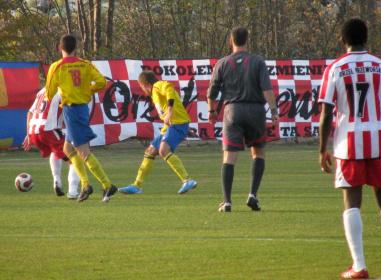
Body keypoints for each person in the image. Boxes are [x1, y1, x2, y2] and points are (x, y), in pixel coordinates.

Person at [318, 18, 381, 279]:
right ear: (366, 38)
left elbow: (326, 113)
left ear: (342, 40)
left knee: (351, 203)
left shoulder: (335, 68)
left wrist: (322, 148)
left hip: (348, 145)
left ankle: (359, 266)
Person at [206, 26, 279, 213]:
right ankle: (252, 195)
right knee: (258, 153)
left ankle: (227, 202)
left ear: (231, 41)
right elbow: (266, 88)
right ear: (248, 40)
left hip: (232, 111)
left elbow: (212, 91)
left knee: (229, 156)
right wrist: (274, 111)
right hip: (255, 110)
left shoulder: (221, 63)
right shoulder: (258, 61)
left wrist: (212, 110)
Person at [45, 34, 117, 202]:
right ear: (76, 48)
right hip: (82, 108)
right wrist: (86, 91)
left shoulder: (56, 67)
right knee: (68, 150)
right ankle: (85, 184)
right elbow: (101, 82)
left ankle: (107, 185)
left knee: (83, 152)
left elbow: (49, 94)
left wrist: (62, 89)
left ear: (60, 48)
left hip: (72, 110)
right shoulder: (85, 64)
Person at [118, 70, 198, 195]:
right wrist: (185, 129)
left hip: (177, 125)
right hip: (173, 126)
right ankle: (137, 186)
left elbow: (169, 88)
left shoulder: (158, 86)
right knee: (150, 151)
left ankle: (187, 180)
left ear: (144, 84)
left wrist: (170, 111)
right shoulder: (155, 93)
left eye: (141, 88)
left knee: (163, 150)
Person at [23, 88, 81, 200]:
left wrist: (28, 134)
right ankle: (73, 191)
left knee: (55, 151)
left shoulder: (43, 90)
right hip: (49, 129)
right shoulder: (63, 89)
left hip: (34, 130)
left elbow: (30, 113)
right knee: (75, 159)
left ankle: (57, 180)